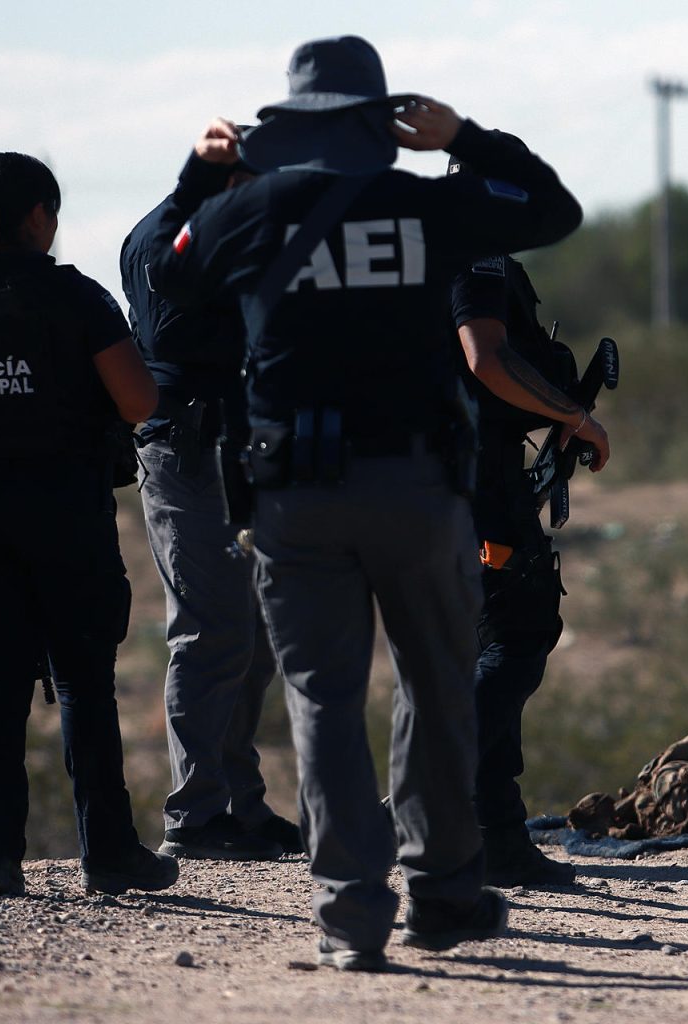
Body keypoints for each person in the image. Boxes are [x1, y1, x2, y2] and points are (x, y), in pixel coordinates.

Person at [139, 36, 582, 971]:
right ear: (381, 124)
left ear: (290, 126)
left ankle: (349, 916)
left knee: (322, 702)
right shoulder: (427, 207)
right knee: (435, 686)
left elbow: (169, 277)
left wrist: (199, 175)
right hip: (419, 490)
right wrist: (468, 137)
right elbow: (553, 209)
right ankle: (442, 893)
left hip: (295, 502)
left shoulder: (249, 213)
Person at [0, 152, 178, 897]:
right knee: (85, 681)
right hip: (62, 507)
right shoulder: (75, 297)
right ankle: (109, 856)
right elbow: (140, 401)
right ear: (38, 217)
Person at [119, 172, 302, 862]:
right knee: (210, 631)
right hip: (185, 451)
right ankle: (195, 816)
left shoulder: (212, 230)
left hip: (233, 450)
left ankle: (241, 806)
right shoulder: (163, 238)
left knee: (251, 638)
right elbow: (175, 326)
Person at [447, 152, 610, 885]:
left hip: (435, 477)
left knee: (476, 641)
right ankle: (463, 809)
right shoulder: (471, 253)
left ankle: (476, 826)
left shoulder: (405, 250)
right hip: (475, 480)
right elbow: (486, 360)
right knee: (517, 631)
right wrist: (575, 415)